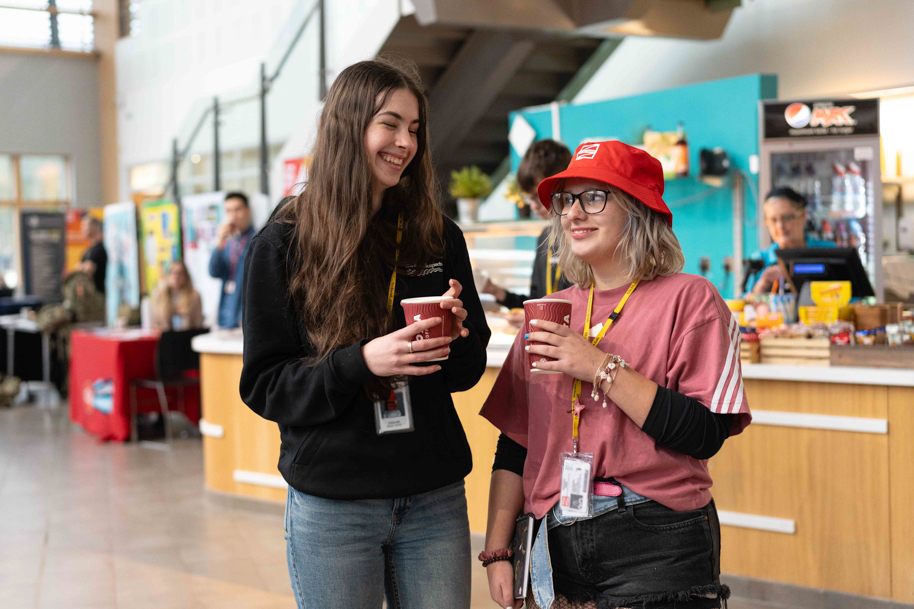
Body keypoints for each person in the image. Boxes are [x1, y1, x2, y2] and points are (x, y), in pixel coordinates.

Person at [239, 59, 490, 609]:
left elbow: (468, 373)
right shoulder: (284, 243)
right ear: (349, 126)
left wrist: (459, 337)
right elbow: (265, 385)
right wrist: (360, 362)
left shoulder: (437, 234)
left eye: (416, 129)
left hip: (433, 497)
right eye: (390, 124)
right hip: (334, 504)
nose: (405, 142)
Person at [480, 141, 751, 609]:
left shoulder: (691, 300)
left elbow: (705, 433)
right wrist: (498, 549)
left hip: (656, 538)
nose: (573, 214)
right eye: (567, 200)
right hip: (555, 539)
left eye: (594, 197)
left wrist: (598, 367)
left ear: (640, 210)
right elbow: (516, 443)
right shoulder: (548, 312)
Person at [483, 140, 573, 309]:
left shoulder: (581, 238)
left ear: (561, 186)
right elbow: (537, 299)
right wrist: (495, 291)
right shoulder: (545, 237)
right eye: (528, 198)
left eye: (536, 196)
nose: (532, 205)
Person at [744, 186, 835, 295]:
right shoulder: (759, 260)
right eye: (773, 220)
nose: (780, 226)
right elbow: (743, 304)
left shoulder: (831, 253)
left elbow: (855, 299)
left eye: (787, 218)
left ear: (803, 215)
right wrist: (762, 284)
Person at [208, 192, 254, 328]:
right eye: (228, 211)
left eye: (237, 209)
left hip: (245, 318)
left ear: (248, 211)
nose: (233, 215)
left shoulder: (257, 240)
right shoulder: (227, 243)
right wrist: (220, 241)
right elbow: (213, 271)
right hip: (225, 315)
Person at [150, 261, 204, 331]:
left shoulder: (194, 296)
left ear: (186, 276)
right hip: (165, 337)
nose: (176, 276)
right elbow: (155, 323)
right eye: (172, 272)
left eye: (180, 273)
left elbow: (198, 323)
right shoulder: (159, 295)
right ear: (167, 275)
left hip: (187, 336)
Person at [78, 217, 107, 294]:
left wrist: (80, 267)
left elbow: (89, 269)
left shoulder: (99, 248)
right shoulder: (89, 249)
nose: (83, 229)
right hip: (88, 294)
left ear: (94, 227)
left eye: (85, 226)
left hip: (96, 294)